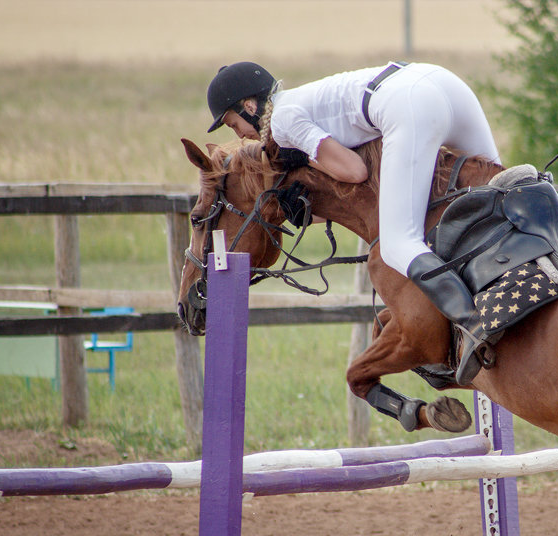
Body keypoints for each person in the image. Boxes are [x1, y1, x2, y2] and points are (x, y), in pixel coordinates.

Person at [205, 61, 502, 384]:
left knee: (397, 244)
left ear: (249, 106)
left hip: (410, 103)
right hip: (445, 83)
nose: (242, 135)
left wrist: (305, 156)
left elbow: (356, 172)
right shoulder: (301, 101)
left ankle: (472, 323)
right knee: (499, 190)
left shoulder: (284, 119)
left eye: (235, 125)